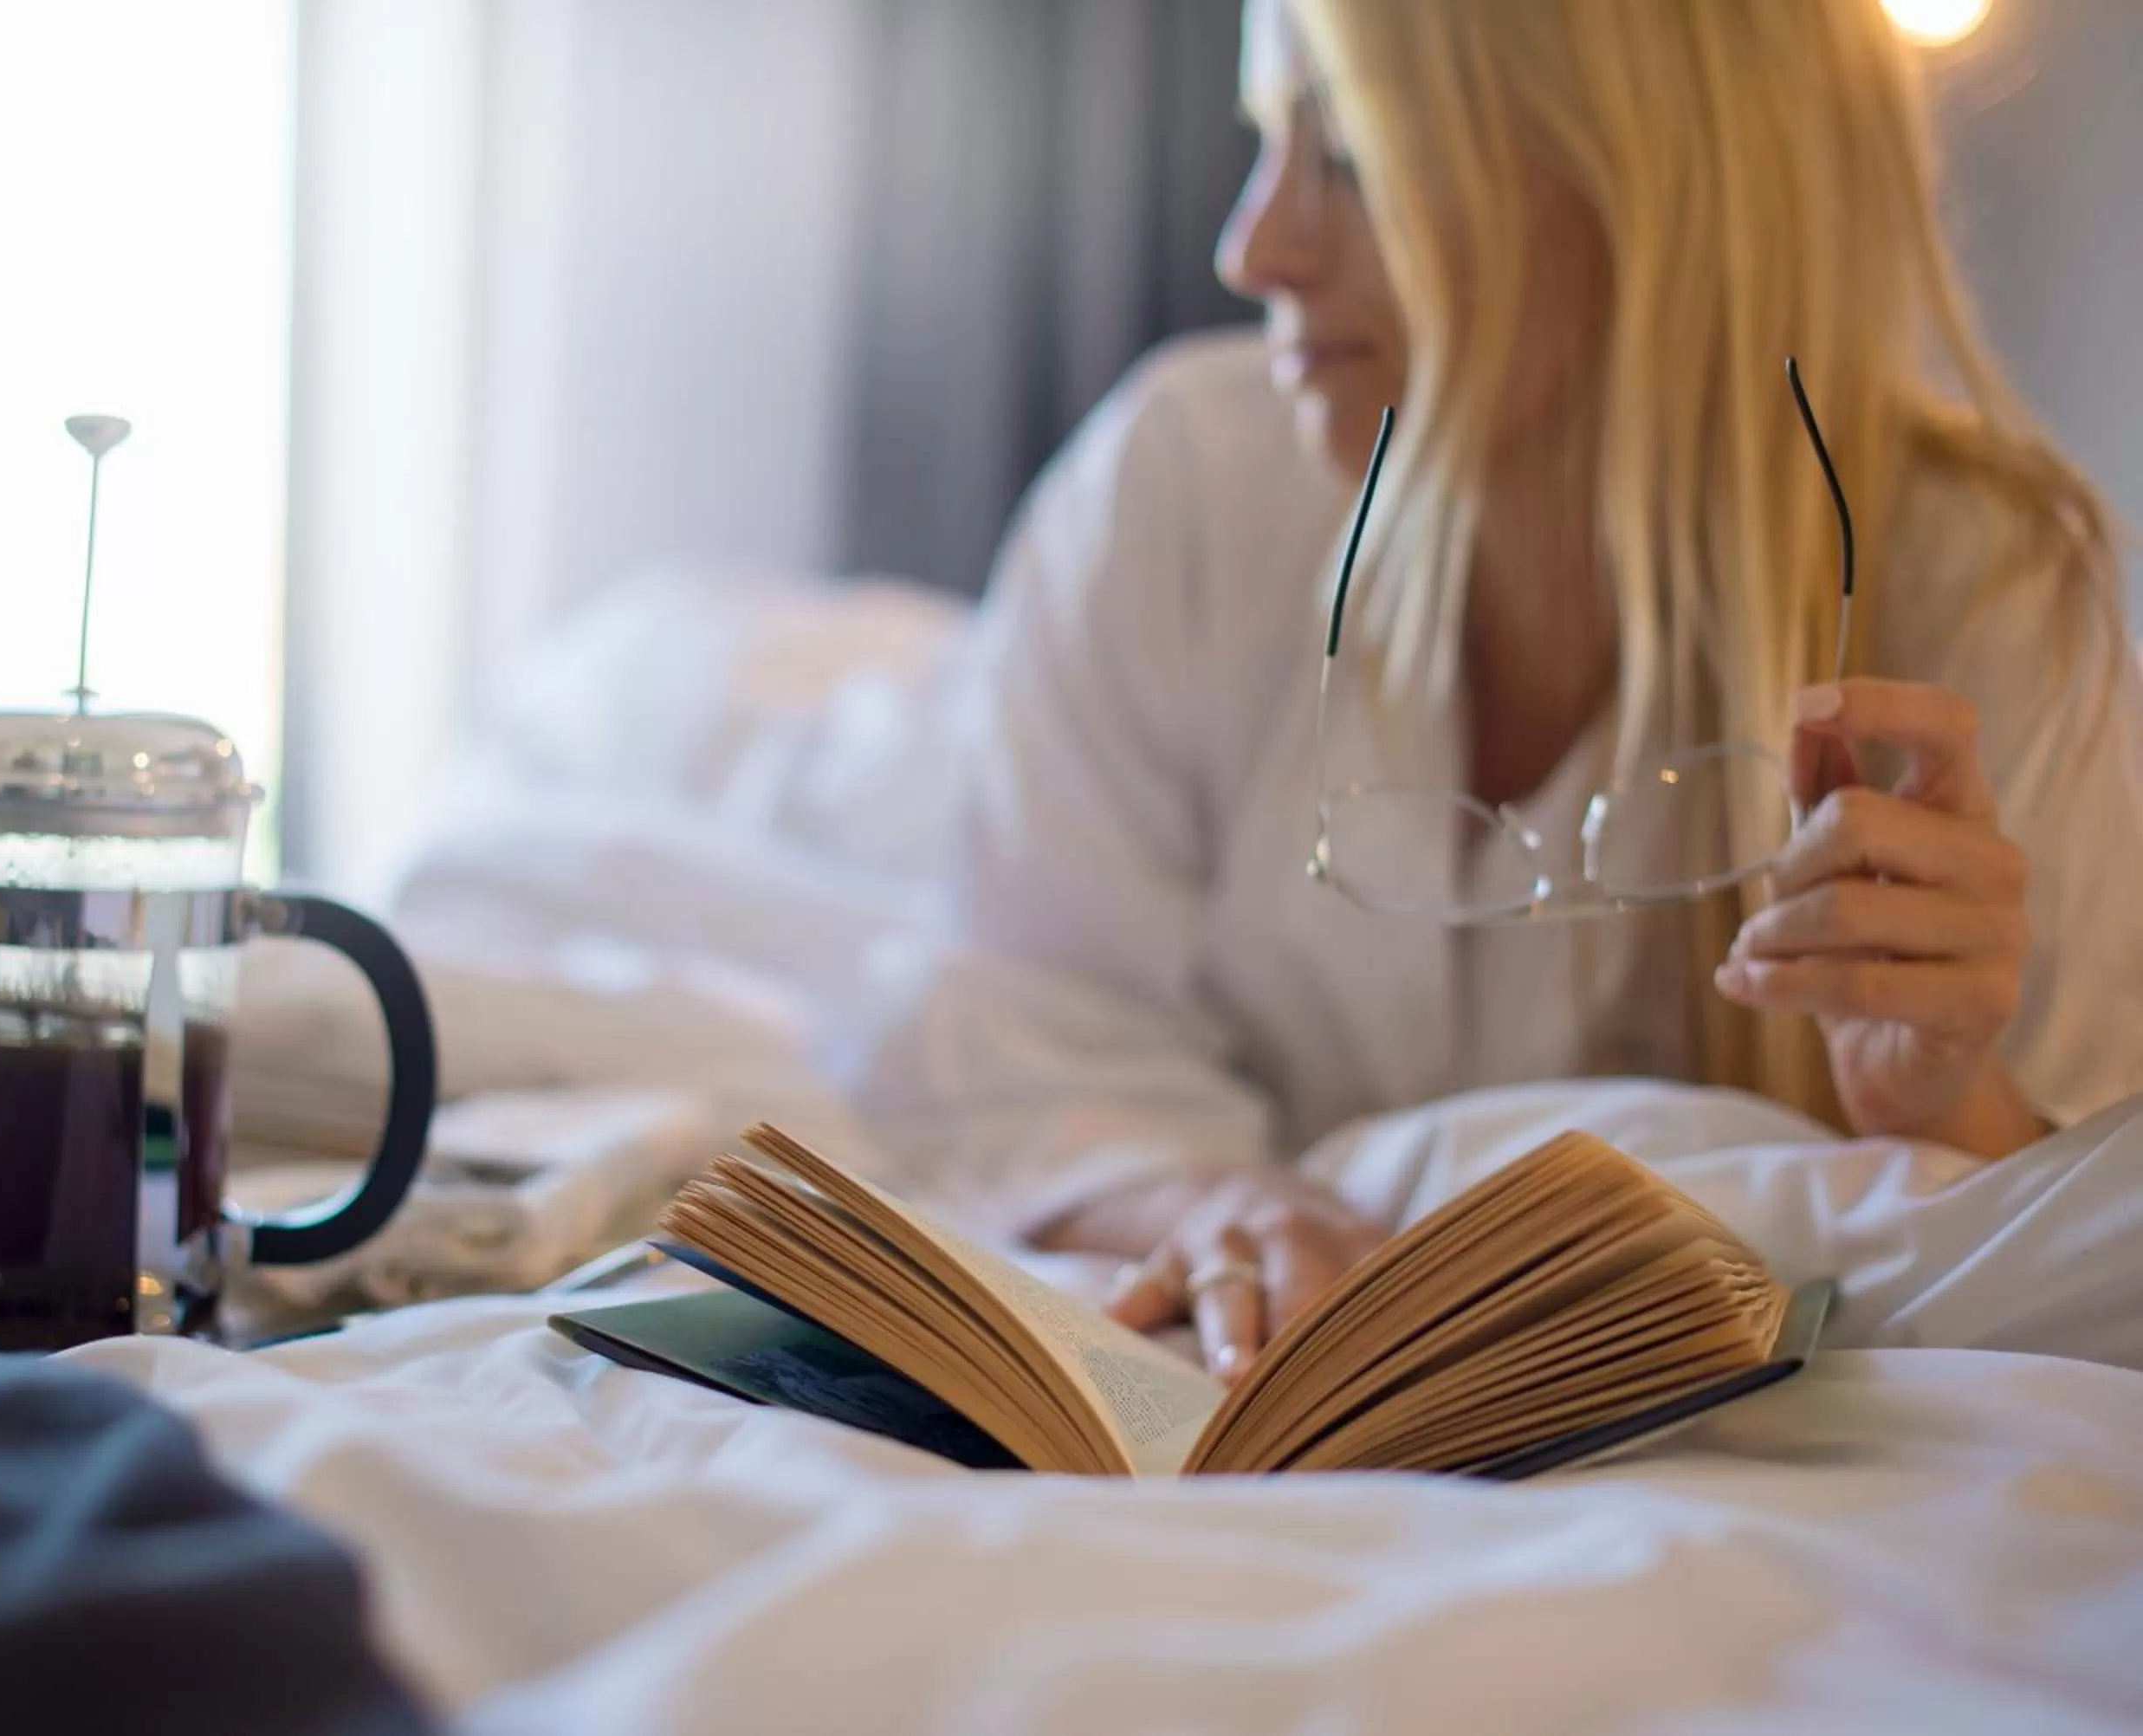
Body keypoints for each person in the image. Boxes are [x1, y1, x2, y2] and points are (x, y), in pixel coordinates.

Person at [848, 0, 2143, 1379]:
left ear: (1643, 170)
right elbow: (1016, 1038)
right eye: (1267, 140)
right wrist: (1216, 1200)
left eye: (1351, 156)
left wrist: (1946, 1099)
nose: (1254, 248)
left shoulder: (1986, 599)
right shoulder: (1180, 484)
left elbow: (2086, 1248)